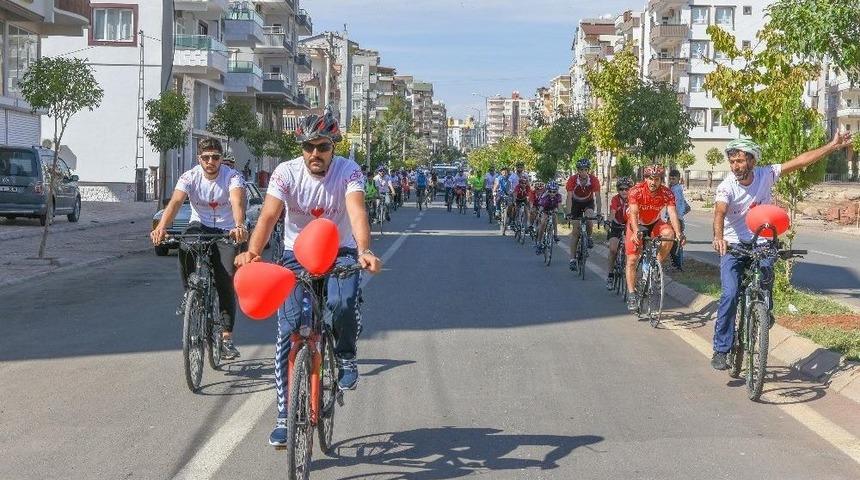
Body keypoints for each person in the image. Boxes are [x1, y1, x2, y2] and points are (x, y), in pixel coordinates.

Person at [233, 112, 383, 446]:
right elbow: (270, 215)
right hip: (294, 255)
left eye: (322, 147)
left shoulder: (349, 171)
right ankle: (285, 418)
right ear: (301, 148)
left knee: (342, 302)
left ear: (334, 147)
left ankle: (345, 355)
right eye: (308, 147)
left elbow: (357, 212)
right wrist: (253, 252)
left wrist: (364, 250)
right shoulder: (285, 173)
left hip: (340, 250)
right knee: (287, 331)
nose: (315, 153)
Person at [709, 133, 853, 370]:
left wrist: (832, 146)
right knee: (730, 294)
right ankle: (721, 349)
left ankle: (764, 309)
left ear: (752, 161)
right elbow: (719, 212)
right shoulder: (727, 186)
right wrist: (718, 237)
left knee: (766, 278)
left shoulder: (766, 174)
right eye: (732, 162)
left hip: (762, 241)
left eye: (740, 161)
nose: (735, 166)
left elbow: (801, 161)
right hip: (733, 245)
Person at [150, 137, 248, 360]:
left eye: (215, 157)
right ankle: (189, 292)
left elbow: (236, 202)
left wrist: (239, 225)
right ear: (199, 159)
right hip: (199, 225)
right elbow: (175, 203)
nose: (211, 161)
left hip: (226, 229)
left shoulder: (232, 177)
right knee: (185, 245)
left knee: (225, 281)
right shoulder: (190, 176)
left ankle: (226, 339)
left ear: (221, 159)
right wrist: (162, 228)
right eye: (206, 157)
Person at [624, 164, 685, 312]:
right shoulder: (636, 190)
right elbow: (633, 213)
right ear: (645, 178)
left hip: (654, 222)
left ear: (661, 180)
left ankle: (655, 263)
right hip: (636, 223)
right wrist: (637, 231)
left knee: (669, 234)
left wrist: (679, 233)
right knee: (632, 259)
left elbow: (672, 212)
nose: (653, 182)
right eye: (651, 179)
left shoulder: (666, 192)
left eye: (657, 179)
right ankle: (632, 294)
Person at [566, 158, 602, 272]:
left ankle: (589, 237)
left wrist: (599, 213)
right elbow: (568, 197)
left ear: (588, 170)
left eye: (585, 170)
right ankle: (572, 259)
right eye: (581, 170)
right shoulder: (572, 180)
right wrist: (568, 213)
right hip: (575, 203)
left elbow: (598, 197)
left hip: (588, 202)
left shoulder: (593, 180)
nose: (583, 172)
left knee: (589, 217)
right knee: (576, 232)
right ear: (578, 171)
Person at [606, 177, 633, 290]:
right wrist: (609, 222)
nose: (624, 191)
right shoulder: (615, 199)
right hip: (616, 225)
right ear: (618, 190)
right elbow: (612, 212)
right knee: (613, 250)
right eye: (621, 189)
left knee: (631, 253)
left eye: (627, 189)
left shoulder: (634, 199)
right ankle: (610, 275)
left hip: (629, 226)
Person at [663, 169, 690, 271]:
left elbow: (677, 205)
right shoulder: (675, 188)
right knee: (674, 242)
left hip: (675, 220)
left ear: (679, 179)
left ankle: (677, 265)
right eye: (670, 178)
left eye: (674, 178)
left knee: (674, 243)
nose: (671, 180)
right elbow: (687, 206)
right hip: (676, 218)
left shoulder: (676, 190)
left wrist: (677, 217)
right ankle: (677, 264)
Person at [534, 181, 563, 254]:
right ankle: (539, 242)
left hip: (553, 209)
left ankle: (555, 235)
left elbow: (559, 205)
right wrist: (539, 214)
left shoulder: (558, 196)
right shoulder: (545, 196)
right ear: (547, 190)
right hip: (545, 209)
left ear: (557, 191)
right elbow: (541, 207)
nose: (552, 193)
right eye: (550, 191)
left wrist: (561, 212)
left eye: (554, 191)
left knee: (555, 216)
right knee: (543, 222)